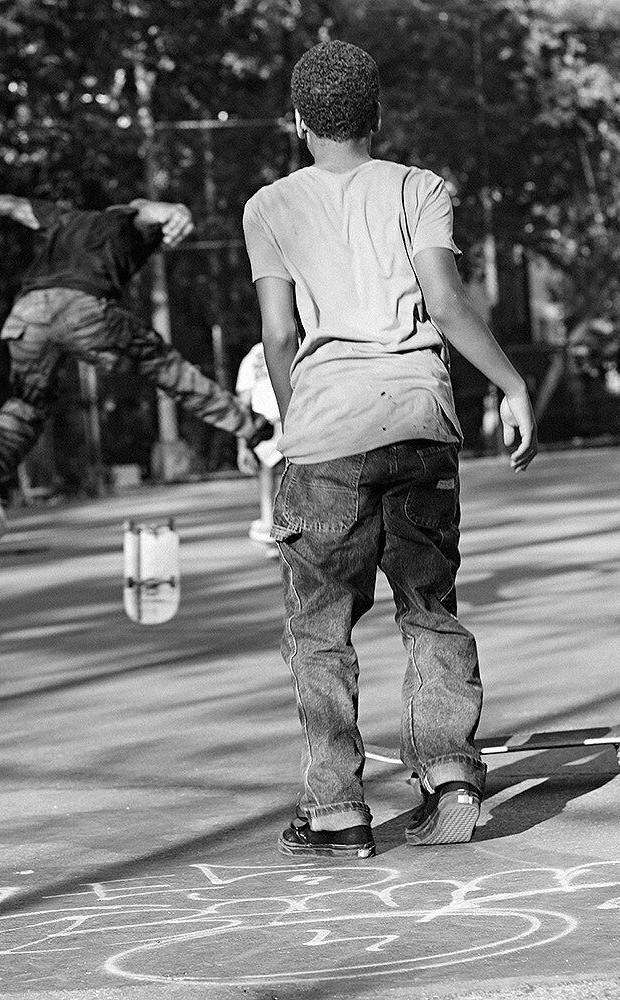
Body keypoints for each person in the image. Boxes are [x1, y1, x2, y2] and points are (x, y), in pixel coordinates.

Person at [242, 40, 537, 858]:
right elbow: (443, 303)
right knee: (428, 611)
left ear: (298, 121)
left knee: (319, 629)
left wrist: (299, 422)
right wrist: (511, 387)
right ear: (375, 116)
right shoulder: (418, 188)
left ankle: (336, 811)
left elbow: (277, 334)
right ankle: (448, 778)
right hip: (417, 424)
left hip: (324, 436)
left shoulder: (268, 205)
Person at [0, 194, 275, 539]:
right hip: (82, 310)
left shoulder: (64, 219)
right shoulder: (124, 225)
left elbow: (8, 205)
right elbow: (144, 211)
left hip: (26, 316)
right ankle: (256, 428)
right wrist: (177, 211)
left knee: (26, 405)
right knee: (167, 368)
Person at [234, 341, 283, 557]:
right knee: (282, 472)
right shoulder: (296, 341)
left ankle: (270, 523)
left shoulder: (251, 358)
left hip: (264, 423)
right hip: (286, 419)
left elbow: (242, 406)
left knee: (268, 472)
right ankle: (276, 527)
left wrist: (242, 447)